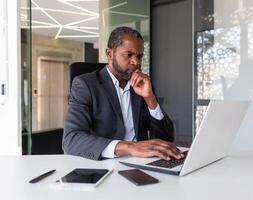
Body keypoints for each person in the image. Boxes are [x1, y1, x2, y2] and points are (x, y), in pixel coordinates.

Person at [63, 26, 183, 161]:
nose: (136, 62)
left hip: (141, 163)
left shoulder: (141, 85)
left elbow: (166, 139)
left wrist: (150, 99)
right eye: (128, 55)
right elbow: (71, 140)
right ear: (109, 54)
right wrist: (130, 147)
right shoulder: (85, 85)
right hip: (105, 165)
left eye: (139, 56)